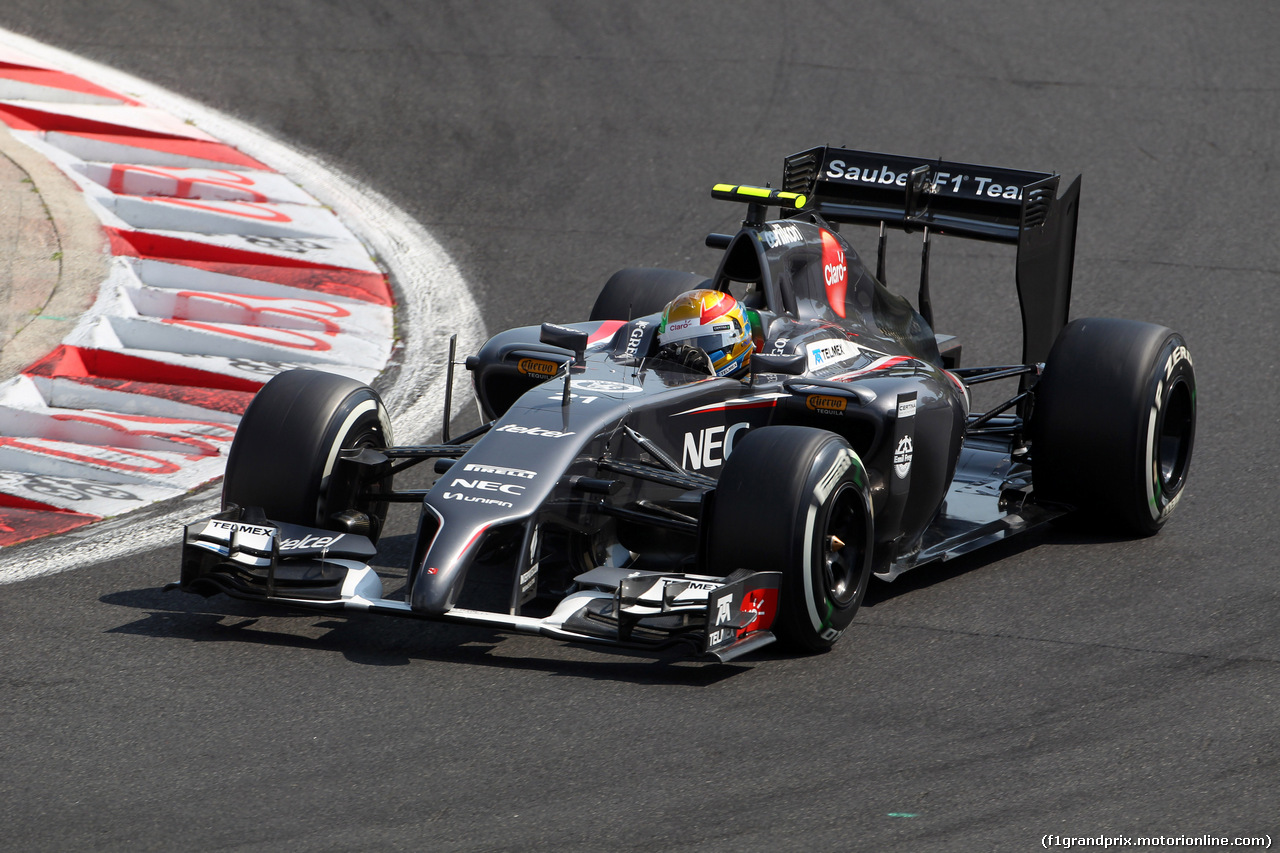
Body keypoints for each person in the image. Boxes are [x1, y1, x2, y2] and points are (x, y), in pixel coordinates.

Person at [655, 289, 753, 378]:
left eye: (705, 342)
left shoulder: (759, 388)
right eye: (677, 346)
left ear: (737, 335)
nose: (687, 357)